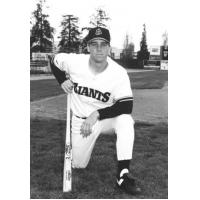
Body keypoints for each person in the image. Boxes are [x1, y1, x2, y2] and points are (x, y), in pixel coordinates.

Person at [50, 27, 141, 195]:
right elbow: (54, 59)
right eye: (94, 44)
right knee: (78, 164)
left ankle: (123, 175)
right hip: (80, 121)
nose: (99, 48)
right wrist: (62, 79)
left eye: (103, 44)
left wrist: (96, 114)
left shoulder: (119, 73)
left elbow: (126, 106)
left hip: (104, 119)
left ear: (109, 48)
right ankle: (83, 152)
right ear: (88, 47)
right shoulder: (75, 62)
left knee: (126, 121)